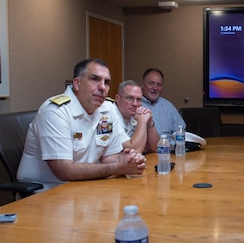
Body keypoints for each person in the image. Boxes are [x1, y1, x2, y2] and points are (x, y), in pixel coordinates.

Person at [17, 59, 147, 191]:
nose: (103, 87)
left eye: (106, 82)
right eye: (95, 79)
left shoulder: (108, 109)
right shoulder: (55, 112)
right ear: (77, 84)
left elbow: (108, 157)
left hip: (86, 186)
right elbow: (64, 171)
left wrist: (127, 160)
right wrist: (117, 167)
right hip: (47, 191)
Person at [114, 80, 159, 153]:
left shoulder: (133, 115)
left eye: (138, 99)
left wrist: (150, 123)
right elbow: (134, 151)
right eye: (130, 98)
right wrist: (142, 120)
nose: (135, 104)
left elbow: (155, 148)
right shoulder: (110, 115)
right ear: (117, 99)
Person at [140, 68, 186, 136]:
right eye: (151, 83)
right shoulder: (134, 105)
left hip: (170, 145)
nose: (155, 88)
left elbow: (181, 130)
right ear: (142, 84)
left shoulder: (168, 106)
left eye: (159, 85)